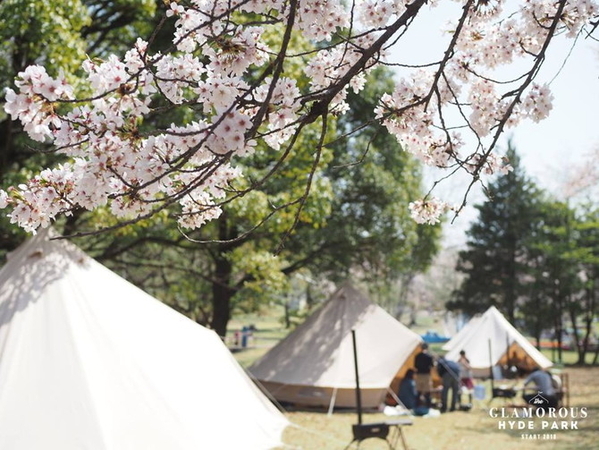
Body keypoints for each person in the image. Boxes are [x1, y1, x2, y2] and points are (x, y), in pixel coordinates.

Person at [414, 343, 435, 407]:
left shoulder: (417, 356)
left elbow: (415, 366)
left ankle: (417, 405)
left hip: (419, 375)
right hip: (426, 375)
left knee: (418, 391)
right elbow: (432, 366)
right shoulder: (429, 356)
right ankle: (428, 405)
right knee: (427, 391)